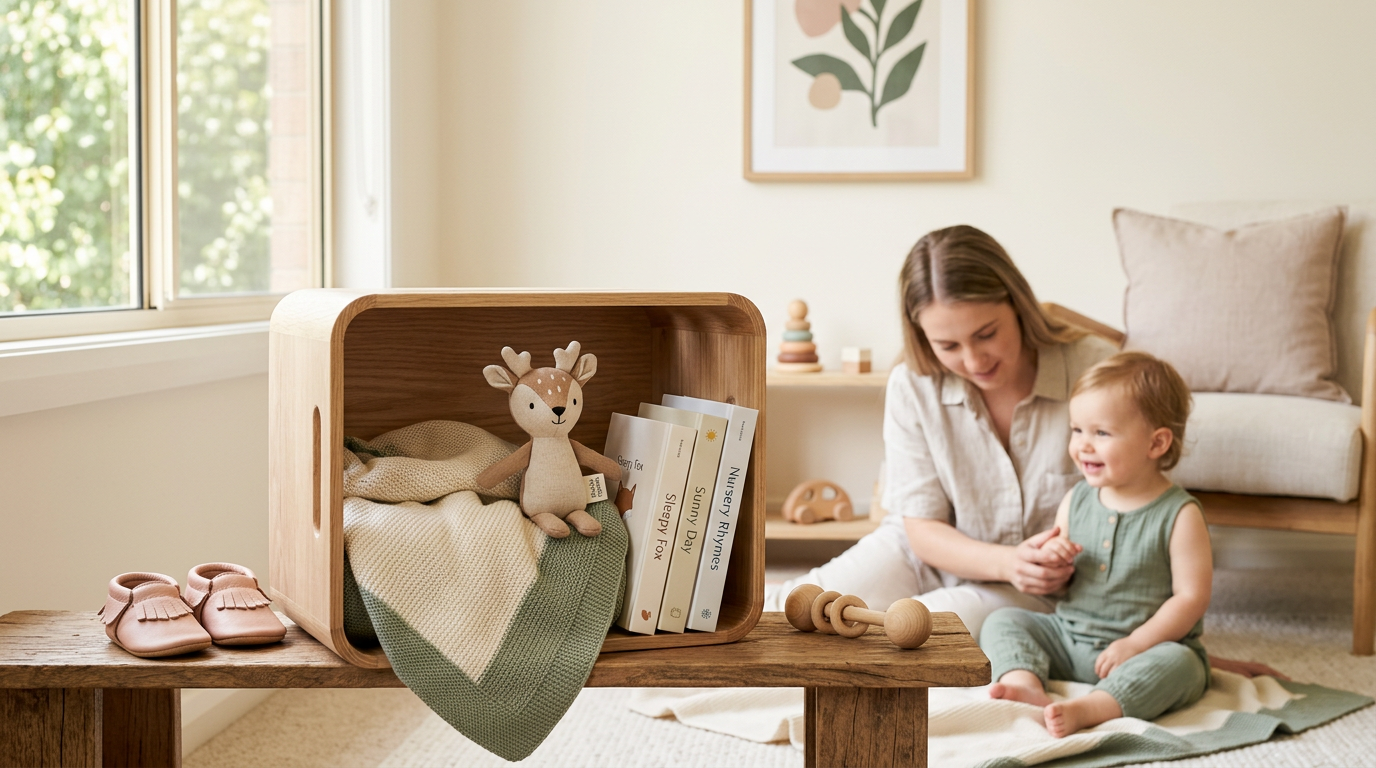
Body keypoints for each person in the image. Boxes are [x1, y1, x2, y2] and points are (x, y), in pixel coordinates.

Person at [764, 225, 1281, 680]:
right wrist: (1007, 560)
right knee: (796, 607)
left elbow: (1140, 493)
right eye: (948, 345)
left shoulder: (1096, 369)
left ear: (1017, 303)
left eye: (986, 333)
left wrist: (1160, 641)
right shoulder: (912, 382)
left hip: (1041, 590)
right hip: (927, 552)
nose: (972, 359)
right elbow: (920, 528)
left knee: (922, 633)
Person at [980, 352, 1211, 738]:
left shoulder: (1179, 514)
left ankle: (1098, 707)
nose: (1083, 446)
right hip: (1069, 638)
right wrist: (1056, 567)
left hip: (1143, 650)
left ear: (1156, 443)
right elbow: (1064, 584)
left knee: (1184, 665)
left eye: (1101, 433)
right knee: (1003, 620)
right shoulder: (1077, 499)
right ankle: (1026, 683)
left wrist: (1136, 645)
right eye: (1077, 430)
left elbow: (1191, 599)